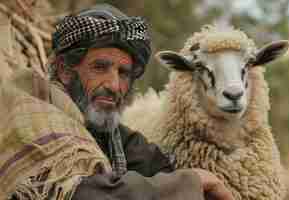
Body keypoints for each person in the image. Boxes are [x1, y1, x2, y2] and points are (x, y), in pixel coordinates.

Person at [9, 4, 234, 200]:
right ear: (65, 70)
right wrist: (190, 182)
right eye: (100, 67)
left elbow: (160, 168)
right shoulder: (30, 116)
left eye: (124, 72)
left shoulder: (117, 139)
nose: (114, 85)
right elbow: (83, 194)